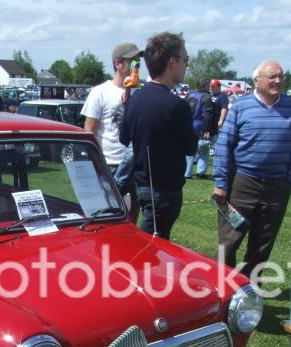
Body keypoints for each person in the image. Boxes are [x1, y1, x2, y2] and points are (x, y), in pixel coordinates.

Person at [212, 60, 291, 280]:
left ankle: (248, 292)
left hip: (276, 186)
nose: (278, 81)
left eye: (280, 76)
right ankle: (222, 290)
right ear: (257, 81)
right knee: (229, 241)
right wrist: (222, 183)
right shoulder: (241, 108)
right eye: (272, 77)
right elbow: (224, 145)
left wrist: (287, 180)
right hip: (242, 183)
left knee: (261, 245)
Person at [120, 32, 196, 239]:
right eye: (185, 60)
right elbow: (191, 147)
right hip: (164, 191)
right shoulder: (177, 106)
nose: (186, 65)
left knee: (150, 238)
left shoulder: (134, 100)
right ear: (172, 62)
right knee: (153, 244)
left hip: (141, 186)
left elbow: (123, 138)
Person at [82, 42, 142, 215]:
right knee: (105, 217)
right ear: (118, 63)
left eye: (138, 63)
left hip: (133, 165)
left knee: (130, 217)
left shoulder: (140, 93)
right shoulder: (100, 92)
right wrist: (97, 163)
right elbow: (89, 131)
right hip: (108, 164)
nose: (136, 67)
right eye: (133, 62)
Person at [184, 80, 216, 179]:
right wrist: (207, 129)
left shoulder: (189, 94)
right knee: (204, 151)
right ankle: (200, 172)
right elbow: (208, 115)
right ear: (206, 86)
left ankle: (187, 172)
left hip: (187, 125)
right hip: (200, 127)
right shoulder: (207, 98)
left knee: (188, 151)